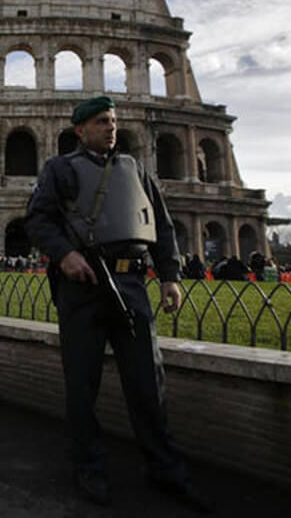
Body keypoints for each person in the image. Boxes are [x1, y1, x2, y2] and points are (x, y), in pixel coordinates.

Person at [25, 96, 213, 513]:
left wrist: (170, 276)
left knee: (148, 381)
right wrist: (64, 254)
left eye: (112, 121)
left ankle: (164, 468)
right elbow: (37, 220)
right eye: (100, 122)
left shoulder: (136, 169)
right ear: (80, 130)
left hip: (131, 282)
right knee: (82, 382)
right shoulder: (59, 170)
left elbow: (161, 226)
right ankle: (88, 464)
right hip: (84, 283)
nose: (111, 128)